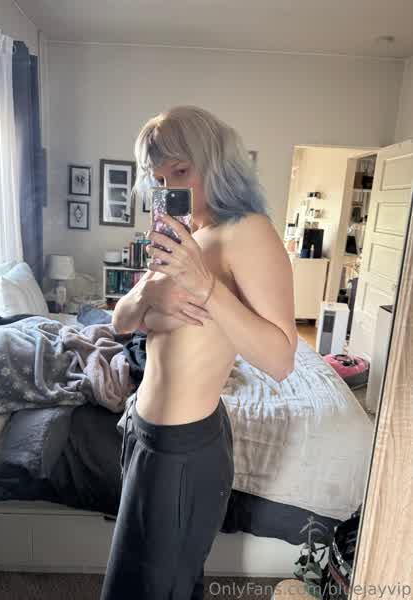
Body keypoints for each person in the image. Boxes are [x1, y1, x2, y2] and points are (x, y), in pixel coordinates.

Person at [100, 105, 297, 600]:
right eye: (159, 178)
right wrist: (149, 292)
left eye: (181, 170)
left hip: (182, 449)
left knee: (155, 587)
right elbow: (119, 322)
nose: (170, 187)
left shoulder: (247, 231)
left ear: (216, 162)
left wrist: (206, 287)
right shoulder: (182, 235)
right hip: (142, 432)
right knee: (141, 580)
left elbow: (280, 359)